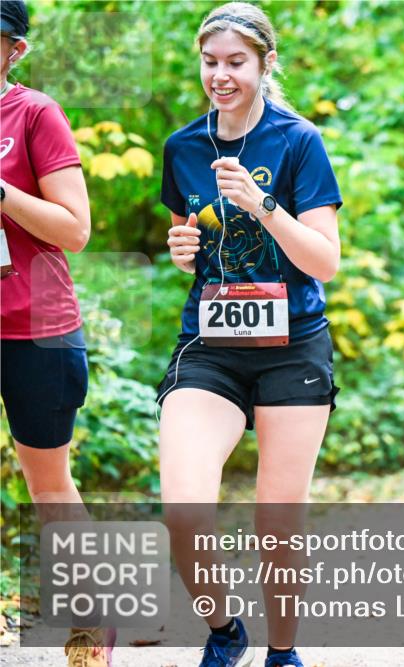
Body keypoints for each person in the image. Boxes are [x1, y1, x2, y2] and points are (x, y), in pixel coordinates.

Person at [156, 4, 342, 666]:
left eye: (236, 62)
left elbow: (324, 259)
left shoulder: (297, 141)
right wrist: (182, 247)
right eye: (211, 62)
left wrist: (263, 204)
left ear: (265, 63)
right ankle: (225, 628)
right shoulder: (183, 146)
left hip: (293, 344)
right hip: (211, 343)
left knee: (277, 519)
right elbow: (192, 240)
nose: (221, 76)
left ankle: (282, 652)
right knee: (183, 508)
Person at [0, 2, 116, 665]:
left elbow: (75, 228)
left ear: (13, 48)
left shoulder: (35, 114)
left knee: (47, 483)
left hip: (35, 328)